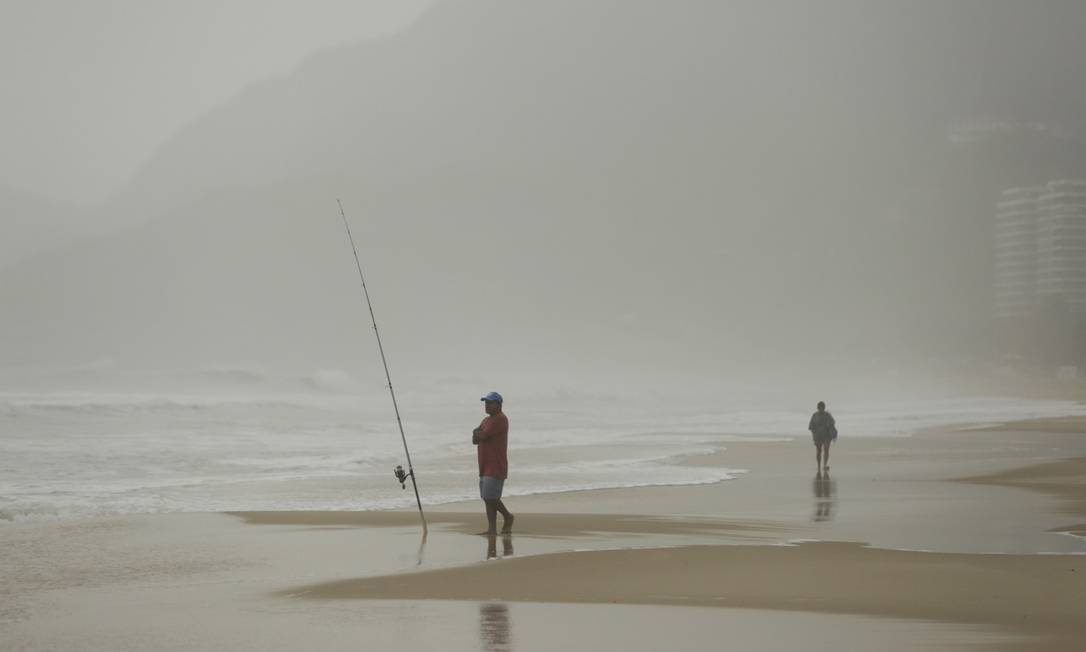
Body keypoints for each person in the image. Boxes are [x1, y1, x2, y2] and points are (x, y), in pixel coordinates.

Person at [473, 391, 513, 535]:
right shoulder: (486, 420)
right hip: (484, 465)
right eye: (486, 403)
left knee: (491, 497)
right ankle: (492, 529)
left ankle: (508, 517)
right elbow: (474, 439)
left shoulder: (500, 419)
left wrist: (479, 433)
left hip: (495, 465)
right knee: (486, 498)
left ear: (499, 404)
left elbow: (481, 434)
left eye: (490, 403)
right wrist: (478, 433)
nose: (487, 406)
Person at [808, 400, 836, 473]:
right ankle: (819, 465)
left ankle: (824, 465)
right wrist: (814, 436)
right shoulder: (815, 415)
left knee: (826, 450)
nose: (821, 409)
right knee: (819, 451)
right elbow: (811, 427)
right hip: (818, 436)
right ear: (817, 408)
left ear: (824, 408)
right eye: (820, 408)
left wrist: (833, 433)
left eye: (822, 408)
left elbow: (832, 423)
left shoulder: (827, 415)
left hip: (827, 436)